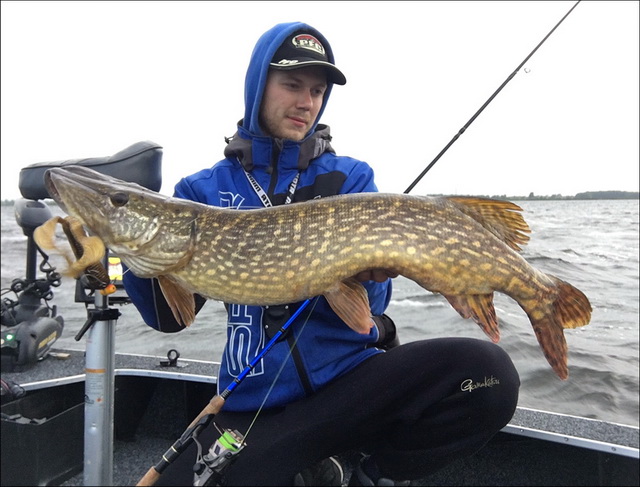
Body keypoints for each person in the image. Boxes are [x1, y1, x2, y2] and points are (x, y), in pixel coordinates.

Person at [123, 21, 520, 486]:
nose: (306, 102)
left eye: (316, 90)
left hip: (353, 387)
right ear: (257, 86)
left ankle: (374, 475)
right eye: (292, 84)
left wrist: (372, 278)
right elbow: (168, 320)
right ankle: (309, 466)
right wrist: (130, 249)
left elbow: (368, 314)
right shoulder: (202, 192)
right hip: (255, 406)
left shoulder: (348, 178)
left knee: (488, 375)